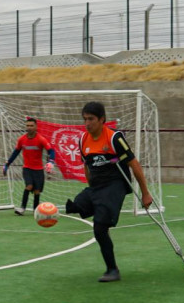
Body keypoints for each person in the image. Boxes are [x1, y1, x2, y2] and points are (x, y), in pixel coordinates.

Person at [65, 102, 153, 283]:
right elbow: (87, 166)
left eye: (91, 119)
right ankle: (95, 211)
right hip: (97, 186)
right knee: (74, 205)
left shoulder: (114, 138)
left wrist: (145, 193)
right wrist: (91, 190)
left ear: (102, 120)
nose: (87, 123)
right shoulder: (83, 140)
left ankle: (112, 270)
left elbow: (134, 164)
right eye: (85, 119)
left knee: (99, 227)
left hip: (115, 184)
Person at [3, 117, 55, 216]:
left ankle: (36, 210)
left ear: (36, 127)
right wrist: (7, 164)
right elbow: (16, 152)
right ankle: (22, 208)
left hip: (38, 170)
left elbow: (51, 151)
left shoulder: (41, 139)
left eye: (31, 125)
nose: (29, 127)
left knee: (36, 191)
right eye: (27, 125)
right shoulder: (21, 139)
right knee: (29, 186)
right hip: (27, 168)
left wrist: (51, 161)